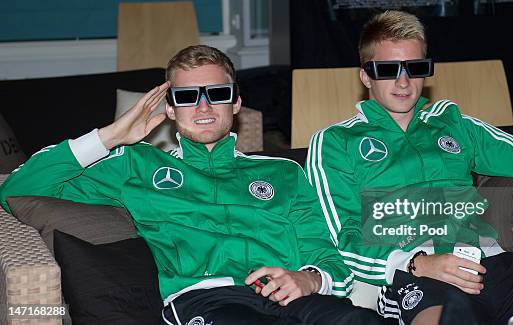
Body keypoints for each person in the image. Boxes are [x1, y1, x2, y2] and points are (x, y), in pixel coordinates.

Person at [0, 45, 384, 325]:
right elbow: (17, 187)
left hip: (292, 299)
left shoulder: (284, 173)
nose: (203, 108)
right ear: (170, 108)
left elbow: (330, 257)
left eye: (217, 94)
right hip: (209, 303)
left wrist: (311, 278)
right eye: (187, 97)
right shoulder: (137, 166)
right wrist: (113, 135)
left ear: (235, 102)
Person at [306, 10, 513, 325]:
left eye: (415, 68)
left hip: (497, 266)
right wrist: (418, 264)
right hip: (419, 280)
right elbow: (338, 241)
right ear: (366, 76)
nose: (403, 81)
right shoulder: (334, 142)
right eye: (387, 69)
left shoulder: (454, 124)